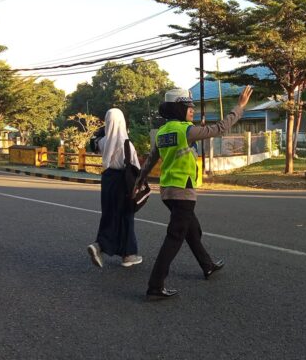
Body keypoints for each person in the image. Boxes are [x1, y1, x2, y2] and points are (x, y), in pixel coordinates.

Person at [137, 85, 253, 298]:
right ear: (177, 109)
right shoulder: (185, 130)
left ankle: (207, 265)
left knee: (192, 230)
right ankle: (155, 285)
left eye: (192, 106)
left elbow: (151, 159)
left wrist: (140, 179)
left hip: (168, 192)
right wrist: (239, 107)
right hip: (183, 191)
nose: (192, 110)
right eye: (187, 106)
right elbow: (219, 128)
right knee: (175, 237)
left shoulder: (163, 132)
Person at [87, 108, 143, 268]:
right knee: (126, 216)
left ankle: (127, 254)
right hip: (122, 182)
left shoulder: (103, 142)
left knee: (110, 215)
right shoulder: (127, 143)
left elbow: (94, 143)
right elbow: (136, 167)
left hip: (107, 180)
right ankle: (105, 247)